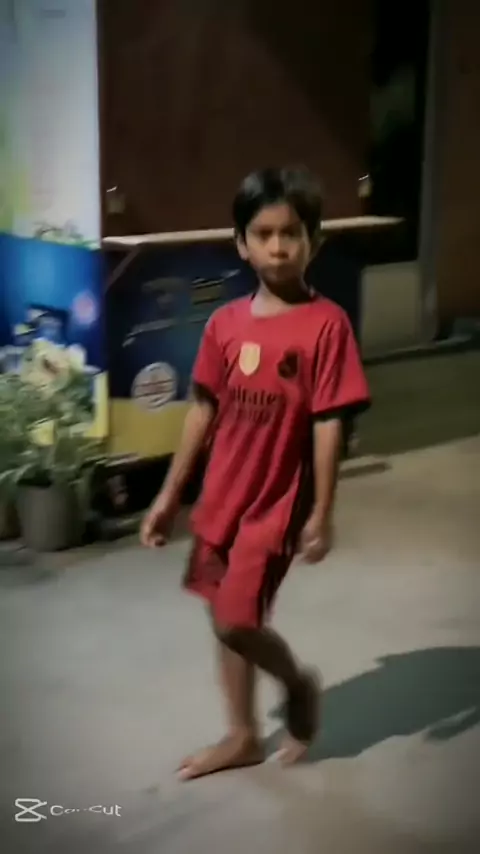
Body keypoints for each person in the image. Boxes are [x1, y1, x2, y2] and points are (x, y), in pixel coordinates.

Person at [141, 167, 371, 780]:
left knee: (236, 618)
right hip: (223, 494)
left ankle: (296, 683)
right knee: (222, 614)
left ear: (314, 240)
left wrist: (322, 511)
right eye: (263, 234)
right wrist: (169, 496)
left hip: (277, 501)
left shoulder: (327, 326)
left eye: (291, 233)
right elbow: (202, 410)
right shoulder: (224, 324)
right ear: (241, 243)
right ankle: (242, 735)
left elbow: (328, 421)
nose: (278, 247)